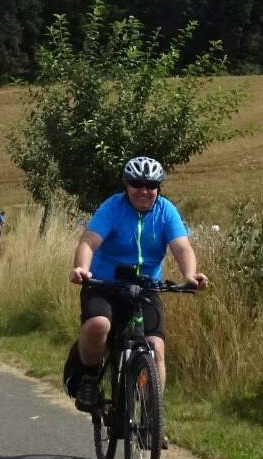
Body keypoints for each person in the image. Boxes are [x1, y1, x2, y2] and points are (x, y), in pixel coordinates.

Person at [65, 156, 209, 410]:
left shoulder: (166, 211)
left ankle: (153, 416)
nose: (144, 191)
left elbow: (182, 247)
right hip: (104, 284)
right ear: (126, 185)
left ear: (158, 188)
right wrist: (82, 269)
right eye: (137, 184)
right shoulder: (113, 208)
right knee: (98, 325)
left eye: (151, 185)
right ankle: (89, 377)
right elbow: (88, 241)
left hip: (146, 288)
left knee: (156, 347)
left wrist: (190, 275)